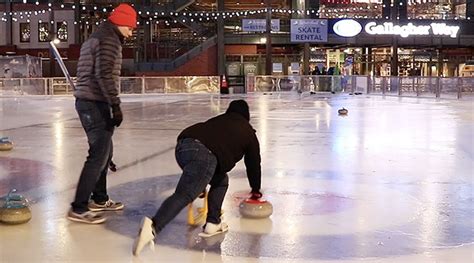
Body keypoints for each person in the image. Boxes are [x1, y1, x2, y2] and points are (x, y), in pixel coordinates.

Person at [132, 100, 263, 256]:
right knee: (185, 194)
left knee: (221, 181)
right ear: (247, 115)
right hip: (204, 155)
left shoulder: (220, 120)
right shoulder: (248, 133)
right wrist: (255, 189)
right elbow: (254, 164)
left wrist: (199, 180)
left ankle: (213, 223)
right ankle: (153, 226)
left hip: (183, 146)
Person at [67, 3, 137, 224]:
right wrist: (115, 105)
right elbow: (104, 74)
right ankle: (79, 207)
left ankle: (99, 197)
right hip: (93, 103)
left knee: (105, 153)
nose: (131, 31)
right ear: (121, 21)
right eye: (130, 26)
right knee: (98, 156)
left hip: (91, 101)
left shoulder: (99, 35)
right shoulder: (109, 40)